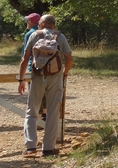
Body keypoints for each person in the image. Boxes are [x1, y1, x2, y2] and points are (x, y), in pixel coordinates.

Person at [17, 14, 72, 158]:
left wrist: (21, 79)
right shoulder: (60, 36)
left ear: (41, 24)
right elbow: (69, 57)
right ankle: (48, 148)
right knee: (53, 111)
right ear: (53, 24)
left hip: (38, 75)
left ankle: (30, 147)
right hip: (56, 76)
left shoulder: (34, 35)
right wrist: (64, 73)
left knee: (32, 111)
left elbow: (25, 58)